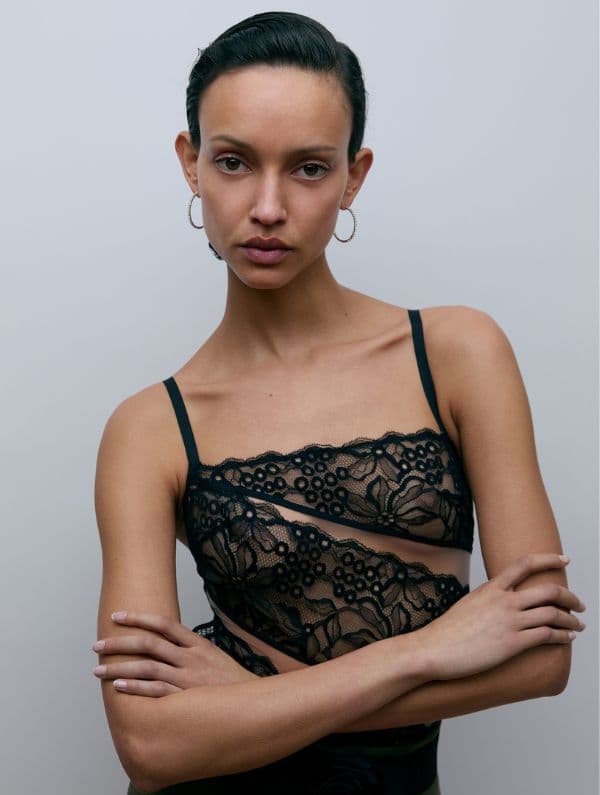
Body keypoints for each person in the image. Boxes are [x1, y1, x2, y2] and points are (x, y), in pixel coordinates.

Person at [92, 11, 586, 794]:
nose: (267, 206)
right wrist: (424, 650)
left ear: (354, 175)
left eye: (309, 168)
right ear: (191, 164)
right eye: (233, 162)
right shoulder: (148, 429)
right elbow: (151, 742)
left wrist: (247, 700)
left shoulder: (456, 353)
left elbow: (540, 656)